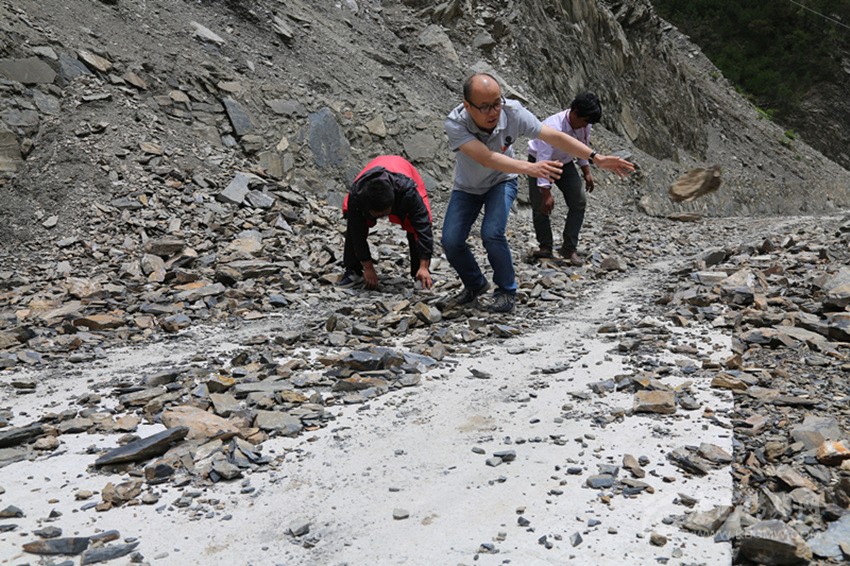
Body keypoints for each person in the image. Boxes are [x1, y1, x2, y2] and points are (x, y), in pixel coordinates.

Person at [441, 73, 634, 313]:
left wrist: (596, 158)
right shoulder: (455, 123)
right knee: (451, 241)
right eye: (484, 107)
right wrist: (531, 168)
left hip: (502, 181)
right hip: (467, 187)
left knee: (492, 233)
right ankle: (475, 284)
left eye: (497, 103)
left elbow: (553, 135)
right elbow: (486, 158)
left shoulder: (512, 111)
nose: (493, 112)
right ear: (467, 105)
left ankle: (506, 292)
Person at [339, 155, 433, 290]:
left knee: (414, 226)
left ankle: (420, 273)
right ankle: (353, 271)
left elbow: (423, 227)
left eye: (384, 212)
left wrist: (424, 266)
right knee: (354, 224)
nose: (381, 217)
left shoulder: (408, 192)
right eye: (377, 214)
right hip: (373, 176)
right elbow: (356, 233)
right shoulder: (357, 195)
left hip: (401, 169)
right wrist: (368, 267)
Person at [527, 92, 602, 265]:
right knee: (540, 205)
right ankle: (545, 246)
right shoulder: (552, 127)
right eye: (584, 121)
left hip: (565, 162)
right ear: (574, 112)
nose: (586, 125)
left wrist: (586, 171)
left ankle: (569, 247)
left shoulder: (585, 125)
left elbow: (583, 147)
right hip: (540, 161)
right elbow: (543, 158)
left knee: (579, 201)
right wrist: (546, 193)